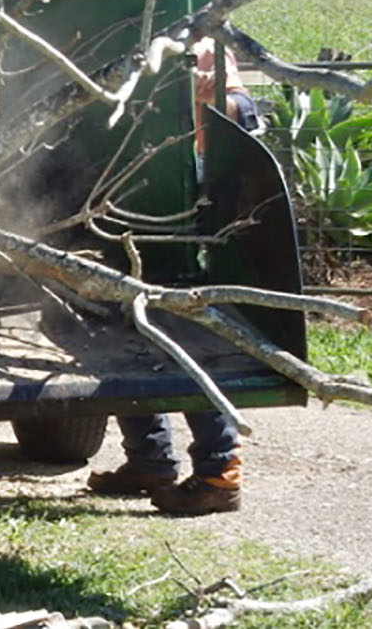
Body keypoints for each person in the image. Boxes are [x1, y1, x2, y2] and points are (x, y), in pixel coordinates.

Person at [87, 37, 259, 516]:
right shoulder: (121, 33)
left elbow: (241, 111)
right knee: (122, 329)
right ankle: (150, 460)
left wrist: (208, 94)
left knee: (184, 337)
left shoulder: (201, 44)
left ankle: (219, 474)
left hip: (185, 215)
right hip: (123, 204)